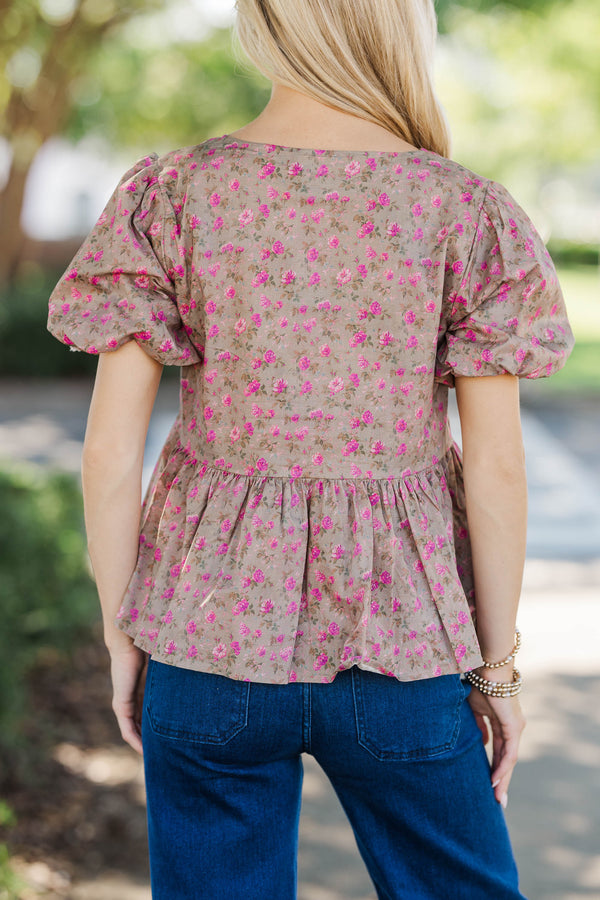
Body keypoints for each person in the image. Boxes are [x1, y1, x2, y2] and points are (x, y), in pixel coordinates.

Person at [46, 0, 575, 897]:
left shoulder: (172, 193)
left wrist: (121, 633)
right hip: (400, 648)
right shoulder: (462, 209)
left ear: (263, 27)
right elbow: (496, 467)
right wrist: (498, 670)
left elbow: (108, 453)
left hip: (204, 639)